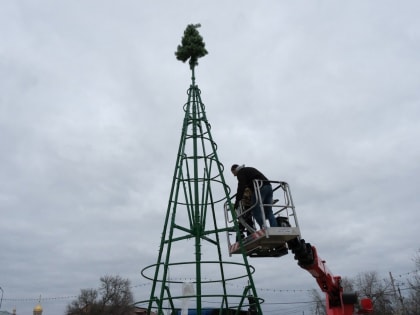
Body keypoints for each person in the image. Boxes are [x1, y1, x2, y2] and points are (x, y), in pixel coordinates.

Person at [231, 164, 278, 229]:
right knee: (268, 211)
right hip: (269, 187)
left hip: (260, 189)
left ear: (235, 169)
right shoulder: (249, 170)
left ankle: (263, 228)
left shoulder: (241, 172)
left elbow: (241, 186)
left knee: (255, 210)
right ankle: (274, 228)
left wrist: (237, 200)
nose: (234, 175)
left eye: (233, 173)